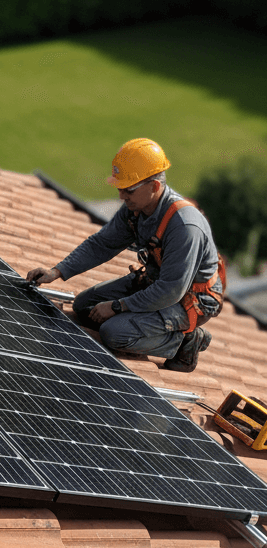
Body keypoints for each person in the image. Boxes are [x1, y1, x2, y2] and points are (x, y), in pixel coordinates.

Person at [26, 138, 224, 373]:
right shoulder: (136, 209)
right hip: (155, 283)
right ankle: (144, 324)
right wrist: (56, 271)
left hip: (188, 300)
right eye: (120, 188)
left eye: (129, 189)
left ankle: (186, 341)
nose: (122, 196)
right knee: (84, 307)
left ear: (154, 187)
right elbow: (102, 244)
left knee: (113, 333)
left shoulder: (184, 226)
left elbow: (171, 290)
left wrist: (118, 306)